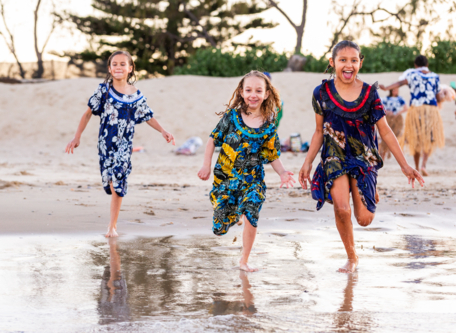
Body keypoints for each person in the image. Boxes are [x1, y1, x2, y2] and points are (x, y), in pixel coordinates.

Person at [298, 41, 424, 274]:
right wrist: (307, 162)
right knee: (342, 209)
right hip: (334, 154)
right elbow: (318, 131)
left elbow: (385, 130)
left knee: (364, 219)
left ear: (360, 63)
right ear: (332, 62)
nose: (348, 65)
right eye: (343, 60)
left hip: (363, 155)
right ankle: (352, 257)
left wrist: (405, 166)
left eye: (354, 60)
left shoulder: (370, 93)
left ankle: (370, 187)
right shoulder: (321, 93)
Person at [65, 50, 175, 237]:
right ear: (109, 68)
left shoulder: (136, 95)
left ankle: (112, 226)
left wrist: (163, 131)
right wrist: (77, 137)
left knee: (118, 181)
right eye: (115, 64)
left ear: (130, 69)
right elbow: (88, 113)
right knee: (109, 182)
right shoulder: (103, 90)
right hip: (105, 144)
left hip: (125, 145)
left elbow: (148, 117)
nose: (118, 67)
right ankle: (112, 216)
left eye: (123, 64)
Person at [198, 70, 295, 272]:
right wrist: (206, 165)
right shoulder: (232, 117)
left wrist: (283, 173)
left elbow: (272, 154)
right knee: (220, 225)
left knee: (252, 212)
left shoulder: (269, 125)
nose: (253, 94)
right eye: (248, 89)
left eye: (258, 90)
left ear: (266, 94)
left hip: (253, 179)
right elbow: (212, 140)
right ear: (241, 92)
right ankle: (234, 214)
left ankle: (244, 260)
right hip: (227, 177)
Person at [380, 55, 444, 176]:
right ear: (427, 64)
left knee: (416, 138)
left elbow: (399, 83)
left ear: (415, 65)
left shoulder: (412, 74)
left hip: (416, 110)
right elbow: (439, 96)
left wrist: (386, 88)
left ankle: (416, 167)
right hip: (431, 111)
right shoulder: (435, 76)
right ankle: (424, 165)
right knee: (429, 138)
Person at [379, 87, 408, 160]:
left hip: (397, 119)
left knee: (397, 135)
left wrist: (398, 113)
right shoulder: (386, 99)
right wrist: (387, 112)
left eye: (397, 90)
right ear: (391, 90)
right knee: (386, 135)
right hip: (388, 118)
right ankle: (384, 154)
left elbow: (405, 108)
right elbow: (380, 106)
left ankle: (393, 153)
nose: (396, 91)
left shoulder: (400, 99)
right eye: (394, 90)